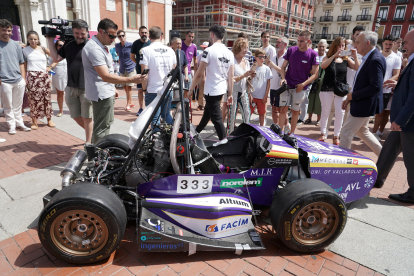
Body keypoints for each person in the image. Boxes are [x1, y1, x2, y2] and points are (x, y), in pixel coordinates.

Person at [82, 18, 146, 143]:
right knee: (101, 128)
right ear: (101, 31)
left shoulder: (100, 45)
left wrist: (113, 87)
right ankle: (97, 158)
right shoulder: (94, 49)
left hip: (105, 91)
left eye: (115, 36)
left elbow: (105, 73)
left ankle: (99, 154)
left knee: (105, 125)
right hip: (101, 94)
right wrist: (131, 79)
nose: (113, 39)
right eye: (111, 35)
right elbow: (105, 76)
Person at [374, 29, 414, 203]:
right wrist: (398, 84)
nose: (402, 45)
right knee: (389, 149)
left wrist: (401, 120)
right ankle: (376, 179)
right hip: (403, 119)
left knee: (411, 157)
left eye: (406, 42)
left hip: (408, 121)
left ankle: (413, 192)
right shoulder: (411, 61)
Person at [339, 31, 386, 156]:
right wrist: (351, 97)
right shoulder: (369, 57)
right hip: (363, 102)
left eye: (357, 42)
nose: (355, 45)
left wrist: (352, 96)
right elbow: (362, 81)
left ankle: (342, 165)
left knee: (345, 133)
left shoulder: (375, 59)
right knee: (362, 131)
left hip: (364, 104)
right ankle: (384, 157)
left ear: (368, 43)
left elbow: (375, 86)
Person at [47, 19, 93, 143]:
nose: (79, 36)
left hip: (87, 87)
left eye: (82, 33)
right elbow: (56, 58)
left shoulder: (91, 46)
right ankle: (94, 134)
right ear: (73, 32)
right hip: (71, 86)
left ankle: (89, 143)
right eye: (77, 33)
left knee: (87, 117)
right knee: (76, 116)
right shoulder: (68, 44)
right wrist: (50, 40)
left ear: (87, 32)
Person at [189, 25, 234, 145]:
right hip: (221, 89)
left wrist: (190, 89)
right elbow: (231, 77)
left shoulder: (209, 50)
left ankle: (224, 141)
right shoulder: (229, 53)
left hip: (212, 90)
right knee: (207, 115)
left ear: (212, 35)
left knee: (216, 118)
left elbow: (198, 74)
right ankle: (195, 133)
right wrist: (230, 94)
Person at [319, 37, 359, 145]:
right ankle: (323, 134)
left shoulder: (346, 59)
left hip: (341, 90)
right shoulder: (327, 57)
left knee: (340, 113)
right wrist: (334, 56)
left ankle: (336, 135)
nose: (341, 47)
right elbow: (323, 66)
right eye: (339, 45)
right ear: (334, 46)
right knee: (325, 112)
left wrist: (355, 56)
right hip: (327, 88)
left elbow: (357, 68)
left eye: (343, 45)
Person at [279, 30, 319, 134]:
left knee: (295, 111)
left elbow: (315, 74)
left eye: (302, 41)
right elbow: (283, 67)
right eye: (298, 40)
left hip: (300, 88)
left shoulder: (313, 54)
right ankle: (279, 132)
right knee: (283, 110)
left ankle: (292, 134)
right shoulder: (291, 50)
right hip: (287, 85)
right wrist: (283, 78)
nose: (299, 43)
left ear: (308, 41)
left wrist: (303, 84)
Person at [139, 26, 176, 129]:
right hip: (168, 88)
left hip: (153, 89)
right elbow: (174, 69)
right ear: (162, 36)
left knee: (155, 118)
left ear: (149, 37)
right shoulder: (170, 51)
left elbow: (144, 73)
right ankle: (172, 138)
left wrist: (144, 88)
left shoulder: (145, 50)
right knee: (166, 115)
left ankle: (156, 142)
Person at [0, 19, 31, 134]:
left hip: (18, 80)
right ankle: (11, 125)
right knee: (8, 105)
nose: (6, 32)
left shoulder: (16, 45)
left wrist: (23, 79)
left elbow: (21, 63)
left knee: (18, 105)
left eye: (9, 30)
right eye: (4, 30)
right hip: (4, 81)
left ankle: (20, 124)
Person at [23, 30, 57, 130]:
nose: (33, 41)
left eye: (35, 39)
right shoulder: (25, 50)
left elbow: (57, 58)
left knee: (47, 98)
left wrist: (50, 67)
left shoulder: (43, 49)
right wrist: (24, 79)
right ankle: (34, 120)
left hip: (44, 76)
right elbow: (24, 67)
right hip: (32, 76)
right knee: (34, 99)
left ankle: (49, 119)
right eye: (31, 39)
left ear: (38, 40)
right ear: (28, 40)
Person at [372, 35, 401, 141]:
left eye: (390, 44)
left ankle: (379, 132)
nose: (388, 46)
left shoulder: (397, 58)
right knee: (378, 112)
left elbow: (396, 74)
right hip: (375, 88)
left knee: (385, 112)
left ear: (393, 44)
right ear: (382, 44)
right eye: (386, 44)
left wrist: (386, 82)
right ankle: (374, 132)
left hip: (387, 89)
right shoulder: (377, 55)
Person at [229, 38, 253, 133]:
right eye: (244, 47)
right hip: (233, 91)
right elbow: (230, 79)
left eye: (247, 47)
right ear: (238, 48)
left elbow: (247, 77)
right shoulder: (232, 61)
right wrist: (244, 75)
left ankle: (245, 133)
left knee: (247, 112)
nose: (246, 50)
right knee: (232, 116)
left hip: (243, 91)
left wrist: (251, 76)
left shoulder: (246, 61)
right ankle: (230, 135)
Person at [305, 39, 327, 126]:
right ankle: (309, 117)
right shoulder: (314, 55)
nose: (321, 48)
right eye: (320, 46)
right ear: (317, 46)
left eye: (323, 47)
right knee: (310, 98)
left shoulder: (327, 57)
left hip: (322, 82)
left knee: (319, 100)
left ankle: (319, 119)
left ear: (325, 48)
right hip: (312, 79)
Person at [131, 26, 151, 116]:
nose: (144, 34)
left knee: (148, 90)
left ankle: (149, 109)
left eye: (145, 32)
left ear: (148, 34)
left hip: (150, 71)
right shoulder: (135, 43)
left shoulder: (151, 43)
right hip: (140, 71)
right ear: (139, 33)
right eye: (142, 32)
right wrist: (138, 63)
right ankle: (140, 108)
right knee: (140, 91)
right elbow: (132, 56)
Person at [249, 49, 273, 126]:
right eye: (260, 57)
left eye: (264, 57)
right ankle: (247, 129)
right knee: (249, 113)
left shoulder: (267, 69)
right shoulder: (252, 68)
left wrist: (266, 96)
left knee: (262, 113)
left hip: (262, 96)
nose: (262, 59)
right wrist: (250, 95)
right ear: (255, 58)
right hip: (253, 96)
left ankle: (262, 129)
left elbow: (268, 83)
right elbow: (248, 82)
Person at [115, 30, 136, 112]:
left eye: (123, 35)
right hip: (122, 69)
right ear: (118, 37)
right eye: (119, 36)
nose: (121, 37)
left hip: (130, 68)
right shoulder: (117, 46)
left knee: (129, 87)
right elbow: (118, 54)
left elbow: (135, 54)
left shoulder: (131, 45)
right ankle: (131, 101)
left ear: (125, 36)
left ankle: (128, 104)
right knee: (125, 87)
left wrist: (134, 63)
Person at [51, 40, 67, 117]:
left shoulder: (68, 53)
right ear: (56, 46)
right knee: (60, 94)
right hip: (58, 77)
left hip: (68, 76)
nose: (62, 47)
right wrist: (54, 74)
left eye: (63, 45)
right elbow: (49, 67)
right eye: (60, 45)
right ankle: (61, 110)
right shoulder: (53, 55)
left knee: (71, 94)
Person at [195, 42, 209, 110]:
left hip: (210, 75)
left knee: (209, 92)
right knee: (201, 90)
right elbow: (196, 66)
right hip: (201, 75)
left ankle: (208, 105)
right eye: (203, 47)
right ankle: (200, 105)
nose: (204, 49)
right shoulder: (199, 56)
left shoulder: (211, 55)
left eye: (205, 47)